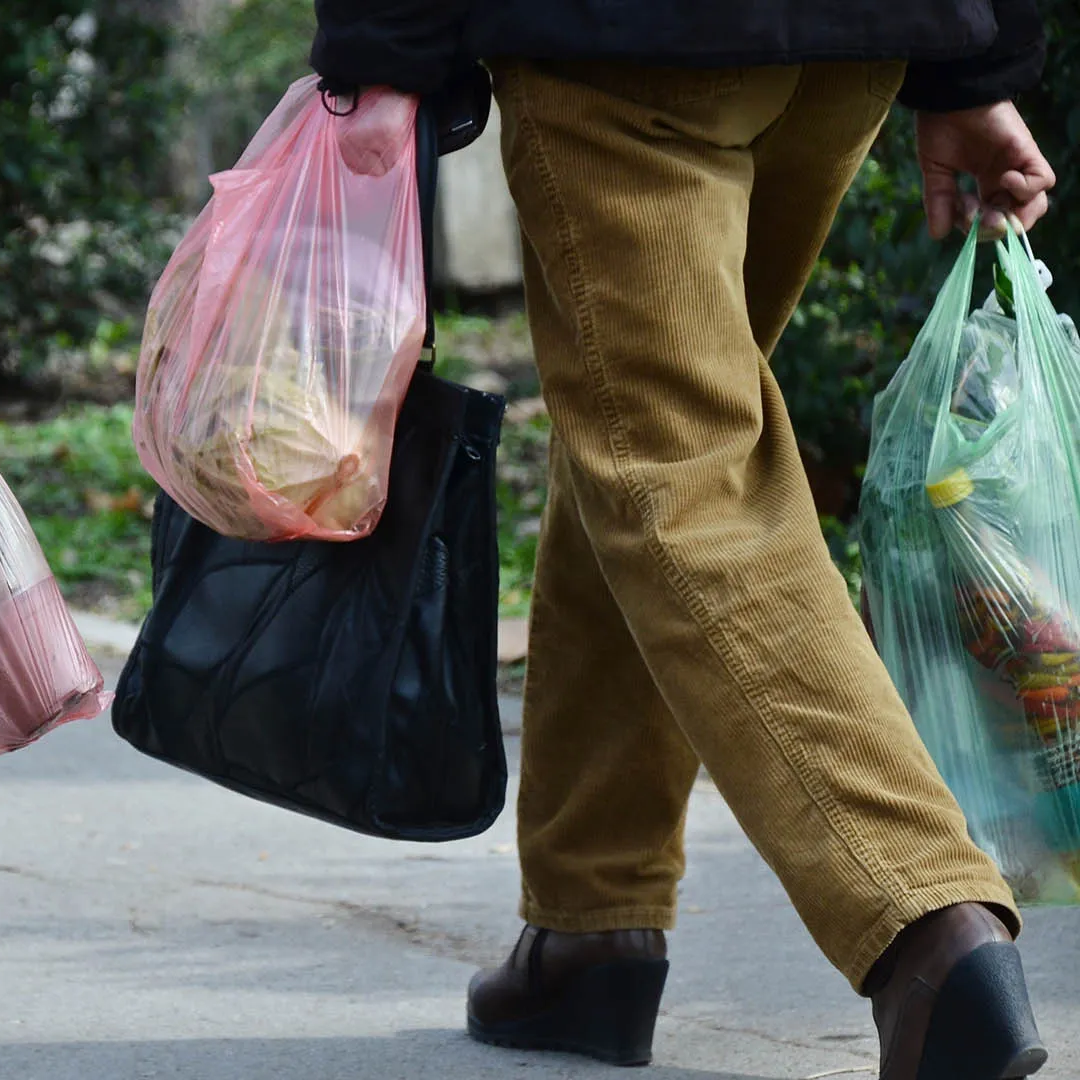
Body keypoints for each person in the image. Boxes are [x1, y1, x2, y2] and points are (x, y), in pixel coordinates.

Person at [312, 2, 1056, 1077]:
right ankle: (591, 920)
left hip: (629, 48)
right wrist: (975, 62)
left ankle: (928, 920)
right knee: (638, 423)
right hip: (850, 48)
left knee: (682, 478)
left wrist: (381, 50)